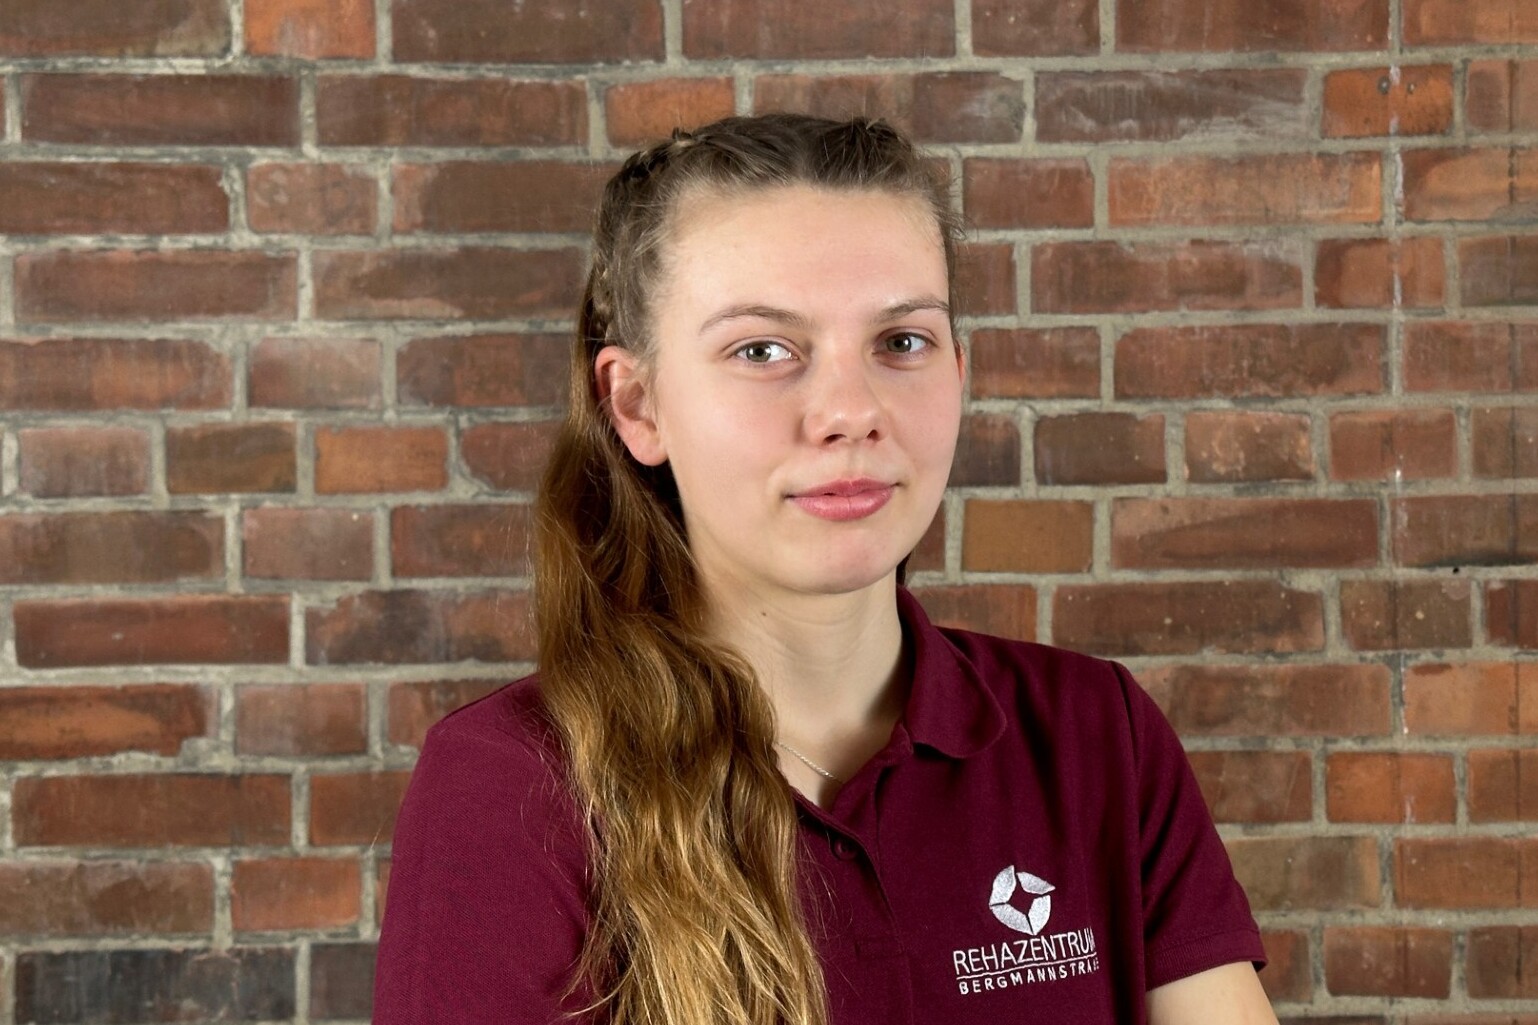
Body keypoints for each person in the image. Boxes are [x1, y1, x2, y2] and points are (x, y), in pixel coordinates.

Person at [372, 113, 1278, 1025]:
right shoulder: (509, 785)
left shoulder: (1096, 735)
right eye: (762, 350)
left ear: (960, 372)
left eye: (902, 341)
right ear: (638, 405)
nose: (850, 410)